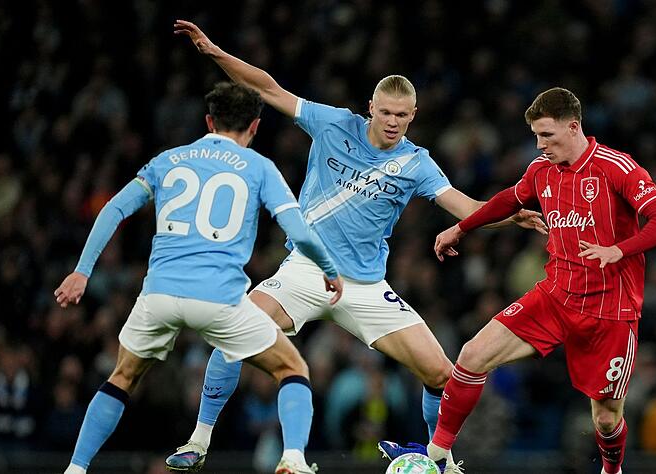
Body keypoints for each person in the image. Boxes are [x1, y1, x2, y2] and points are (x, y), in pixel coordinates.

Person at [168, 20, 546, 474]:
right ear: (371, 107)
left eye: (402, 115)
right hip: (306, 272)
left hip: (366, 287)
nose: (392, 122)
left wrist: (511, 216)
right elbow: (267, 88)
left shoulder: (416, 162)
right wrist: (214, 51)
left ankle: (437, 459)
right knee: (232, 333)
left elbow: (466, 207)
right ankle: (199, 441)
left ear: (413, 115)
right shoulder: (332, 123)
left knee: (442, 374)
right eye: (385, 112)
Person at [55, 82, 343, 474]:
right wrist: (329, 269)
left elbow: (114, 209)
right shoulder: (260, 168)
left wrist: (81, 271)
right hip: (219, 299)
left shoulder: (167, 160)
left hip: (159, 295)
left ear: (209, 121)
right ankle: (293, 458)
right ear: (255, 126)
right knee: (292, 368)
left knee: (122, 377)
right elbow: (301, 232)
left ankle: (76, 468)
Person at [396, 87, 656, 474]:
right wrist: (461, 228)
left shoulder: (617, 167)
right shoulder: (541, 170)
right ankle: (438, 457)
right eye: (536, 136)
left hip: (609, 312)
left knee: (605, 419)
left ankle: (612, 470)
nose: (540, 144)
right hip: (555, 298)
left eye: (546, 135)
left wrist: (619, 249)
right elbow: (509, 200)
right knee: (472, 356)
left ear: (573, 127)